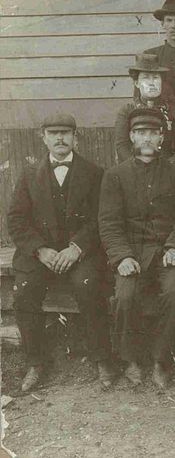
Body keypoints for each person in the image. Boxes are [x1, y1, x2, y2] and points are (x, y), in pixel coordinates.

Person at [8, 113, 114, 392]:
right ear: (43, 137)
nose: (60, 139)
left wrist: (76, 248)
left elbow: (100, 219)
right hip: (40, 254)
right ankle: (36, 362)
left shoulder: (94, 173)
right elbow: (17, 220)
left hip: (79, 252)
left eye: (66, 133)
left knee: (89, 285)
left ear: (75, 137)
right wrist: (40, 250)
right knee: (24, 290)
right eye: (53, 133)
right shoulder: (29, 175)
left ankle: (102, 358)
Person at [99, 108, 175, 389]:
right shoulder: (115, 176)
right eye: (141, 133)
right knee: (125, 296)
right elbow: (109, 223)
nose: (147, 138)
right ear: (131, 137)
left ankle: (161, 359)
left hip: (168, 251)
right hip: (133, 253)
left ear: (162, 137)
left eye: (153, 133)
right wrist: (122, 256)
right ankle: (131, 359)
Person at [114, 54, 175, 165]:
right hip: (135, 169)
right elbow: (121, 146)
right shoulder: (127, 111)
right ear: (137, 83)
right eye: (146, 77)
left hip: (165, 169)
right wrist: (136, 167)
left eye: (156, 78)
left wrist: (168, 167)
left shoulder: (171, 110)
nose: (152, 82)